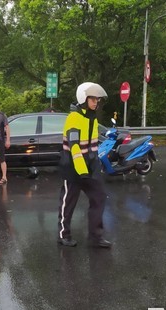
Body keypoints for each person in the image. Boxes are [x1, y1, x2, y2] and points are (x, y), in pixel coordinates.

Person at [56, 82, 112, 248]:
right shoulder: (74, 118)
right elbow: (75, 147)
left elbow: (92, 145)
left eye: (98, 99)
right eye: (93, 99)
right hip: (73, 168)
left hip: (90, 168)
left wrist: (95, 165)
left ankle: (96, 236)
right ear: (83, 99)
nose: (96, 102)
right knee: (68, 203)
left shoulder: (92, 118)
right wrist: (81, 170)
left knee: (99, 197)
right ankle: (63, 235)